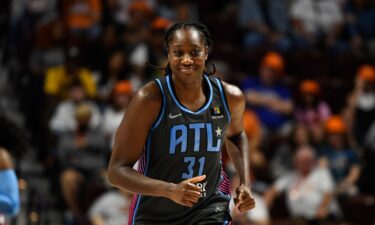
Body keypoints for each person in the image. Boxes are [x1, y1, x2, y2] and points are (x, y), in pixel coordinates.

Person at [107, 21, 255, 225]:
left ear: (206, 52)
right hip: (155, 215)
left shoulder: (230, 97)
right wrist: (170, 190)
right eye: (178, 53)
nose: (187, 60)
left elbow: (236, 135)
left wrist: (245, 183)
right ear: (168, 55)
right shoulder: (149, 99)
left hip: (209, 209)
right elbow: (116, 172)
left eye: (194, 52)